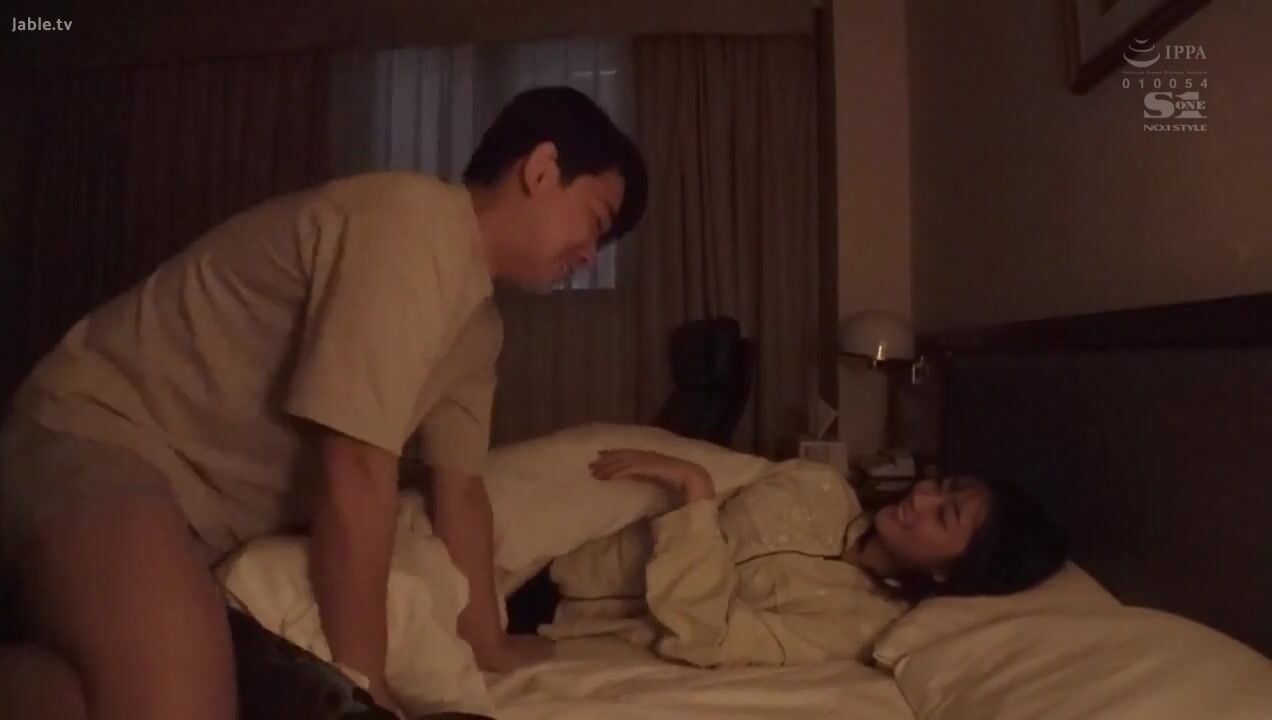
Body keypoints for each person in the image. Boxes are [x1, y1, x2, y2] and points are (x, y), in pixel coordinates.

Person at [0, 85, 647, 719]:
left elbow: (461, 490)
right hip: (102, 436)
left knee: (102, 696)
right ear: (541, 169)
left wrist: (489, 642)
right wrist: (365, 686)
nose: (591, 255)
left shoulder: (479, 328)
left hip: (205, 520)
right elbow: (357, 468)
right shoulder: (410, 221)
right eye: (595, 221)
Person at [540, 449, 1067, 668]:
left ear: (947, 572)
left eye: (945, 515)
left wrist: (694, 491)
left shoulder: (858, 624)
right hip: (552, 545)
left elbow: (709, 638)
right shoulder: (819, 485)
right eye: (943, 485)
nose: (922, 497)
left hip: (565, 623)